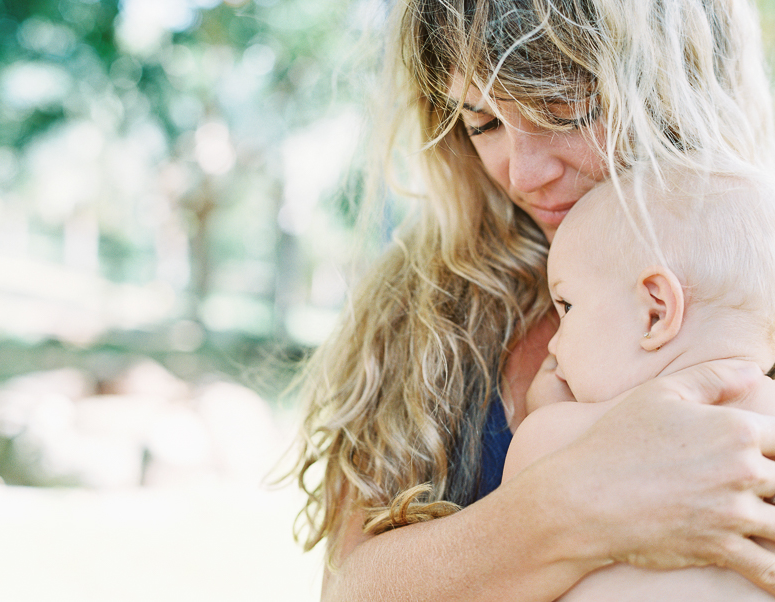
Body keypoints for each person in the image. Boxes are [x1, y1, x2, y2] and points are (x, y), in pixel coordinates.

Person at [288, 1, 775, 600]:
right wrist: (581, 499)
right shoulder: (427, 302)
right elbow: (351, 588)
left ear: (678, 86)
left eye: (563, 110)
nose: (522, 173)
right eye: (483, 123)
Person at [502, 164, 775, 600]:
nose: (554, 343)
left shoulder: (556, 436)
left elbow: (506, 564)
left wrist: (543, 417)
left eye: (568, 307)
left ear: (656, 311)